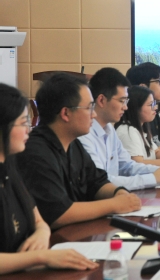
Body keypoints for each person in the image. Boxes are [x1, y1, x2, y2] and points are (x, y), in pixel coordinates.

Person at [17, 73, 141, 229]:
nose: (94, 114)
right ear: (66, 113)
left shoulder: (73, 143)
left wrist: (119, 193)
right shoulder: (36, 153)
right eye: (89, 108)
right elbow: (58, 214)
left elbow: (97, 182)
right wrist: (114, 204)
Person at [0, 83, 98, 275]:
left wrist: (42, 233)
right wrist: (40, 257)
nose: (29, 130)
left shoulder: (9, 166)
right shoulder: (32, 153)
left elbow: (38, 219)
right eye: (23, 123)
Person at [79, 68, 160, 191]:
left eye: (126, 101)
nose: (125, 107)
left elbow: (127, 166)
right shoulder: (84, 134)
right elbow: (101, 181)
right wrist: (153, 178)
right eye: (121, 101)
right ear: (101, 100)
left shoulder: (109, 129)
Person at [115, 86, 160, 167]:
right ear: (136, 107)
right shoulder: (128, 131)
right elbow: (138, 165)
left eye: (154, 103)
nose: (155, 108)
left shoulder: (142, 127)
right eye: (150, 104)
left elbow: (156, 152)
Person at [126, 62, 160, 147]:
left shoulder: (153, 112)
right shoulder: (135, 119)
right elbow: (153, 151)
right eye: (159, 81)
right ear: (143, 87)